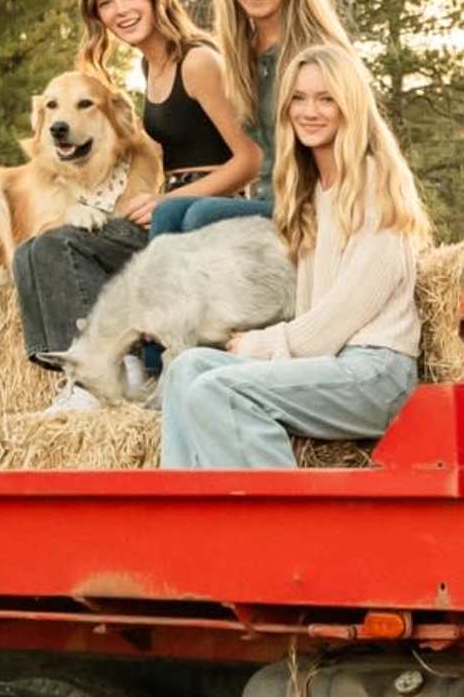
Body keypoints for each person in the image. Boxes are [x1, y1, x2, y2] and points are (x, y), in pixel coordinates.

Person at [157, 41, 431, 469]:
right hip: (334, 364)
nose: (309, 111)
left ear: (351, 106)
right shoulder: (310, 192)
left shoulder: (375, 183)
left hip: (377, 374)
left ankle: (281, 527)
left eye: (327, 99)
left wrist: (263, 344)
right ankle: (186, 517)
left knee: (220, 390)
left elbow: (342, 315)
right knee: (186, 369)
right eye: (299, 99)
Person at [9, 0, 255, 406]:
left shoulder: (197, 61)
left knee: (61, 244)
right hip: (169, 215)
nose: (120, 10)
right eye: (106, 3)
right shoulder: (150, 65)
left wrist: (169, 201)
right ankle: (80, 374)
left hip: (204, 222)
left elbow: (250, 160)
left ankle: (118, 368)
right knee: (32, 250)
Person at [150, 0, 357, 240]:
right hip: (264, 204)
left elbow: (351, 148)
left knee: (202, 216)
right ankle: (158, 292)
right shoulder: (238, 56)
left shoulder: (315, 54)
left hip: (311, 207)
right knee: (168, 213)